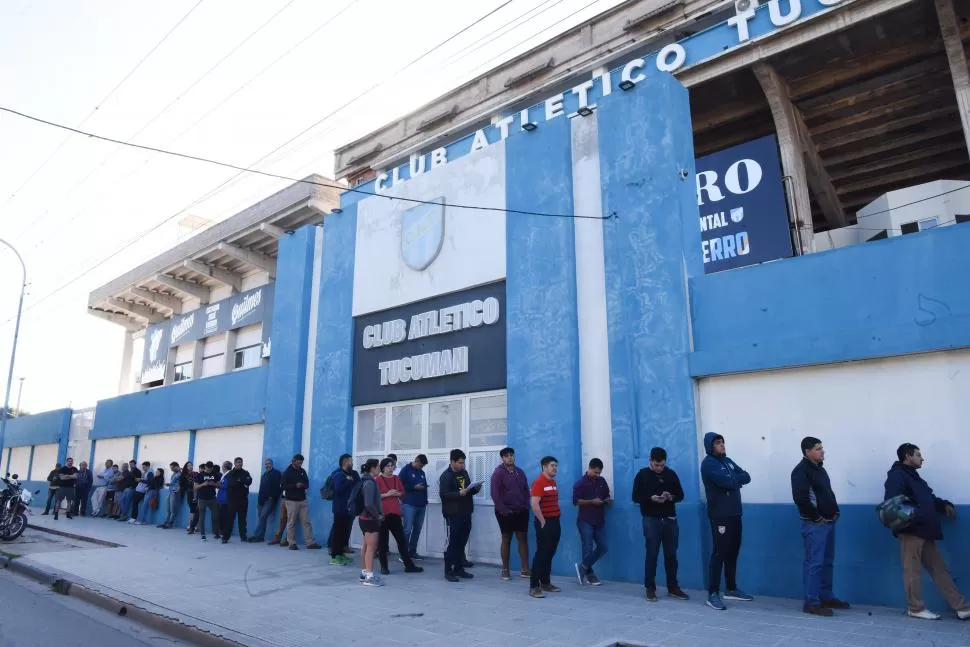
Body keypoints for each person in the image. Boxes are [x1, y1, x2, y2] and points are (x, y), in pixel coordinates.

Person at [884, 443, 970, 621]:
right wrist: (917, 517)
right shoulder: (897, 476)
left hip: (924, 530)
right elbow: (893, 502)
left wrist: (944, 504)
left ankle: (962, 607)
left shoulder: (914, 477)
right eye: (918, 455)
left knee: (939, 569)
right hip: (911, 530)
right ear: (908, 456)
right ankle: (915, 608)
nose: (922, 458)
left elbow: (928, 498)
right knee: (912, 570)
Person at [791, 436, 849, 616]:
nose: (822, 451)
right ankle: (811, 602)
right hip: (815, 524)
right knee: (814, 563)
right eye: (818, 448)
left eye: (822, 448)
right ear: (807, 452)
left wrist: (836, 511)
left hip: (829, 522)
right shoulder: (801, 471)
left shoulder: (820, 470)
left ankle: (826, 596)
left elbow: (828, 493)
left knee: (827, 561)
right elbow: (801, 498)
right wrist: (816, 518)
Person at [701, 432, 753, 611]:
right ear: (710, 446)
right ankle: (712, 593)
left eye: (722, 442)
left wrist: (733, 480)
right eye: (717, 443)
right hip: (720, 515)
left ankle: (731, 588)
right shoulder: (708, 464)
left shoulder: (728, 461)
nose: (722, 445)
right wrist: (734, 480)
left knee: (733, 551)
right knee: (719, 553)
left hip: (735, 513)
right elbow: (728, 482)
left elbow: (746, 476)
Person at [632, 447, 688, 602]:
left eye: (662, 465)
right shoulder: (642, 475)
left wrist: (671, 497)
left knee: (671, 555)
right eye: (656, 465)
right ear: (650, 460)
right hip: (651, 519)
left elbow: (681, 495)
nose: (659, 468)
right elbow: (635, 497)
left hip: (670, 519)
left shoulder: (671, 474)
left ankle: (673, 587)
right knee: (652, 554)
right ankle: (650, 588)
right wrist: (651, 498)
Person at [376, 457, 423, 575]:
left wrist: (397, 493)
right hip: (383, 514)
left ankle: (409, 566)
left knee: (402, 541)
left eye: (392, 466)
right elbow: (375, 496)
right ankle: (384, 567)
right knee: (383, 542)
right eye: (388, 466)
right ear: (382, 467)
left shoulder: (396, 479)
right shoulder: (377, 480)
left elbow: (402, 493)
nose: (391, 468)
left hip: (395, 514)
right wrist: (387, 494)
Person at [439, 449, 480, 582]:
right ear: (452, 462)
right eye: (460, 463)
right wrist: (458, 494)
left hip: (466, 511)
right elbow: (444, 494)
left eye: (463, 463)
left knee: (462, 541)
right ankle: (448, 570)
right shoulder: (446, 476)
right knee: (452, 542)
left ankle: (458, 568)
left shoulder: (464, 473)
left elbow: (468, 490)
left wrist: (474, 489)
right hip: (453, 513)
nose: (462, 465)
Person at [491, 447, 531, 581]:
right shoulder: (498, 473)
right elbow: (495, 494)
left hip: (521, 511)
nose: (510, 458)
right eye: (506, 456)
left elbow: (526, 491)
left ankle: (525, 568)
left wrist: (526, 505)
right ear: (502, 458)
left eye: (511, 455)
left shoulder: (520, 472)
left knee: (522, 538)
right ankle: (505, 569)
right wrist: (504, 510)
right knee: (506, 539)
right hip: (505, 512)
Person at [572, 457, 611, 587]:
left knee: (603, 547)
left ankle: (583, 567)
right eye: (595, 472)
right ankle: (590, 574)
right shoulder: (580, 483)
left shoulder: (601, 481)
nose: (597, 475)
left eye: (599, 472)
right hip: (585, 520)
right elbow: (576, 501)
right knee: (587, 547)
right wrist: (591, 502)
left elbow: (606, 494)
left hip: (599, 520)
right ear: (589, 468)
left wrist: (607, 500)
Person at [281, 453, 322, 550]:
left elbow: (307, 483)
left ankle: (310, 542)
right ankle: (291, 543)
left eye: (301, 463)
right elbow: (283, 486)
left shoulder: (302, 471)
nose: (300, 465)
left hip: (302, 500)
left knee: (306, 522)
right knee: (291, 523)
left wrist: (303, 485)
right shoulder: (286, 472)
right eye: (298, 463)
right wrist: (295, 485)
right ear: (293, 461)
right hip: (291, 501)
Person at [329, 453, 359, 565]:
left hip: (349, 508)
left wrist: (351, 479)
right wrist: (348, 481)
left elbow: (357, 484)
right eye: (351, 460)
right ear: (345, 462)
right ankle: (335, 556)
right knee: (338, 533)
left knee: (345, 533)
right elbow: (338, 489)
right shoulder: (338, 474)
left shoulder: (352, 474)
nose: (352, 462)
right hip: (340, 508)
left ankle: (341, 554)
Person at [358, 459, 384, 587]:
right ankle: (369, 576)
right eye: (378, 467)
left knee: (366, 546)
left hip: (365, 518)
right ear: (372, 468)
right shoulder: (370, 483)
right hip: (369, 519)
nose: (379, 469)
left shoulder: (365, 480)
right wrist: (378, 516)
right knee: (371, 548)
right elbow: (368, 503)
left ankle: (364, 573)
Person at [398, 454, 429, 562]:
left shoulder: (422, 472)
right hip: (409, 504)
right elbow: (399, 485)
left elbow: (424, 486)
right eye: (420, 465)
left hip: (421, 505)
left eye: (422, 466)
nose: (421, 468)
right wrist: (413, 487)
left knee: (417, 530)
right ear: (415, 461)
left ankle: (412, 551)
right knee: (407, 530)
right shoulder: (405, 470)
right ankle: (403, 554)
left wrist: (425, 500)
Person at [250, 458, 281, 542]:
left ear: (272, 464)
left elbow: (278, 487)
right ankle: (260, 537)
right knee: (261, 518)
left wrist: (272, 497)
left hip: (269, 500)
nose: (267, 465)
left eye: (269, 463)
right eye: (266, 464)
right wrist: (259, 500)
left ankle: (256, 535)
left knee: (263, 517)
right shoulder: (264, 475)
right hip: (261, 501)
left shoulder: (276, 473)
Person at [225, 457, 253, 543]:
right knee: (230, 519)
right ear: (234, 463)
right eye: (237, 462)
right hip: (232, 500)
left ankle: (243, 537)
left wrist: (240, 482)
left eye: (241, 462)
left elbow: (249, 481)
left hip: (243, 500)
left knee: (242, 519)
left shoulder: (246, 473)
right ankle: (225, 538)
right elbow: (231, 483)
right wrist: (242, 482)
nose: (239, 464)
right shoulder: (230, 473)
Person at [193, 462, 220, 542]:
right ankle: (203, 535)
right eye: (207, 469)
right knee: (202, 517)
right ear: (205, 467)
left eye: (210, 469)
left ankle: (216, 533)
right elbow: (195, 487)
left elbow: (219, 486)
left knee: (215, 516)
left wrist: (214, 484)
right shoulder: (200, 475)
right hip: (202, 499)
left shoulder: (215, 474)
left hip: (212, 498)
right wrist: (203, 484)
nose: (209, 471)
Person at [159, 461, 183, 529]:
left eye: (172, 468)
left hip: (175, 493)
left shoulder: (181, 474)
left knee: (173, 510)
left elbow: (181, 484)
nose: (171, 469)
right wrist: (169, 484)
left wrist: (177, 491)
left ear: (176, 466)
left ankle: (170, 524)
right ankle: (165, 522)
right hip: (170, 492)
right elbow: (174, 483)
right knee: (168, 509)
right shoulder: (174, 474)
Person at [216, 461, 231, 540]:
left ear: (225, 467)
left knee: (223, 516)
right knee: (220, 516)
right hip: (221, 498)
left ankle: (223, 532)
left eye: (223, 466)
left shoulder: (228, 475)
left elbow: (225, 486)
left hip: (224, 499)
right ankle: (221, 531)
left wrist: (215, 484)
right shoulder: (224, 475)